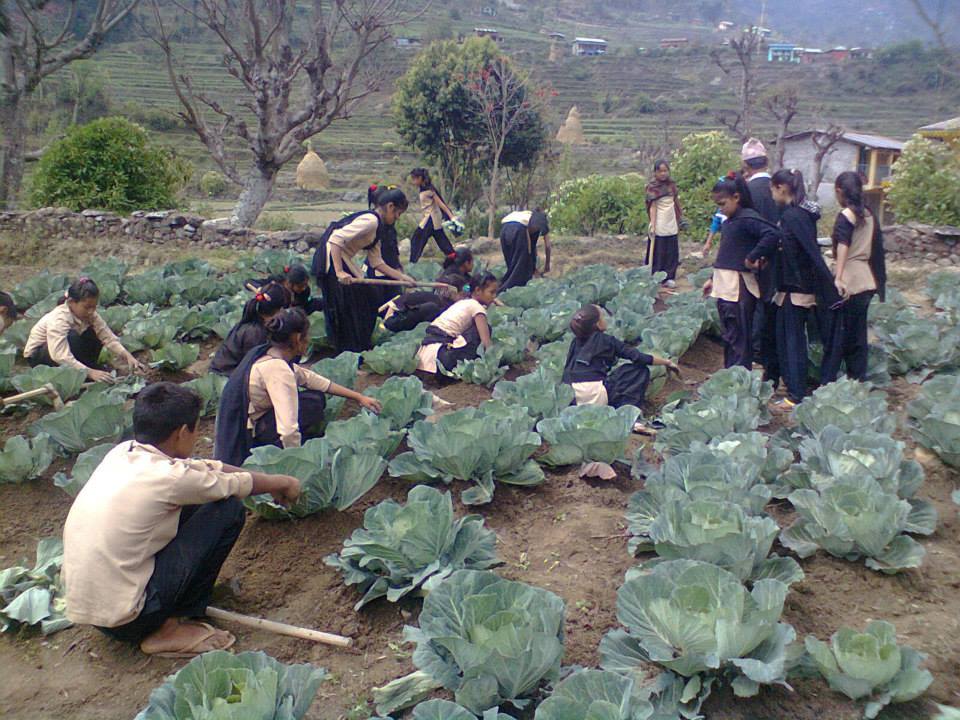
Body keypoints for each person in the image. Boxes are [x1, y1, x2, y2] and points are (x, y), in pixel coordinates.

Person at [63, 382, 301, 657]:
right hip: (132, 619)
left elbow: (205, 469)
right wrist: (282, 482)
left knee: (194, 504)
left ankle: (162, 613)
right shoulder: (170, 479)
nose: (198, 436)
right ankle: (169, 628)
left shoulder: (122, 453)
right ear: (181, 433)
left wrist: (273, 482)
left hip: (94, 613)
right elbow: (231, 485)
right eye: (196, 429)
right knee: (226, 510)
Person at [214, 308, 382, 466]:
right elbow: (288, 430)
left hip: (246, 423)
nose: (308, 341)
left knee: (315, 397)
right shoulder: (277, 370)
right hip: (252, 431)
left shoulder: (266, 353)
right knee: (312, 403)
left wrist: (358, 397)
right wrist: (296, 463)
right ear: (296, 338)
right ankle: (269, 447)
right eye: (306, 336)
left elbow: (311, 379)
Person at [745, 169, 839, 409]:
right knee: (787, 339)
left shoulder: (792, 217)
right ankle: (790, 386)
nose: (772, 195)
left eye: (773, 190)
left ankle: (795, 394)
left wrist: (779, 272)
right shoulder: (802, 214)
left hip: (794, 290)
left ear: (781, 188)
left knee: (792, 341)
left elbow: (795, 255)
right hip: (798, 287)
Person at [314, 187, 417, 352]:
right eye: (398, 213)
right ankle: (346, 348)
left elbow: (376, 261)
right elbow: (335, 239)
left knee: (369, 298)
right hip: (331, 257)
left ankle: (359, 345)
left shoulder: (378, 227)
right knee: (345, 304)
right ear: (390, 207)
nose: (397, 218)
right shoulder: (371, 221)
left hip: (343, 258)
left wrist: (402, 278)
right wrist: (340, 272)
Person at [702, 173, 782, 369]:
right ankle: (731, 374)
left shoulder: (747, 218)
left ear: (736, 197)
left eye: (722, 204)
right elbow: (726, 253)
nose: (720, 209)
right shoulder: (730, 221)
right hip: (725, 285)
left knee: (739, 335)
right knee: (730, 335)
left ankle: (739, 376)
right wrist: (712, 278)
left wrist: (752, 257)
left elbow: (772, 233)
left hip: (738, 287)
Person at [820, 171, 886, 384]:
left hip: (849, 279)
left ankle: (828, 382)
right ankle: (857, 380)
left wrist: (838, 277)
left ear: (839, 191)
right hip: (866, 280)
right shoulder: (869, 214)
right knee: (858, 337)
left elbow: (844, 244)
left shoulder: (847, 215)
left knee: (837, 337)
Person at [23, 277, 145, 383]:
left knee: (95, 334)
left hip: (63, 354)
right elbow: (59, 355)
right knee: (72, 337)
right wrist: (90, 372)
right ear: (71, 302)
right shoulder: (59, 318)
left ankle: (86, 369)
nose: (91, 311)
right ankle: (84, 372)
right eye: (87, 307)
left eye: (94, 307)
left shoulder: (90, 314)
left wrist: (128, 356)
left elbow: (107, 336)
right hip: (40, 357)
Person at [562, 304, 679, 412]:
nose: (606, 319)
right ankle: (628, 412)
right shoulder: (608, 341)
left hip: (572, 397)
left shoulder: (574, 343)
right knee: (638, 370)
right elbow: (639, 357)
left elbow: (567, 371)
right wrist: (667, 362)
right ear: (598, 324)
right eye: (602, 316)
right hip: (597, 394)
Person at [741, 138, 781, 369]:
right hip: (778, 255)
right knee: (770, 299)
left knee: (754, 302)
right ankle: (769, 349)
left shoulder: (746, 191)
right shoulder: (780, 187)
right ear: (766, 161)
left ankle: (756, 349)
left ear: (746, 165)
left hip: (754, 255)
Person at [416, 273, 498, 375]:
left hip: (424, 357)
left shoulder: (463, 303)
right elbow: (486, 343)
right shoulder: (477, 308)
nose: (494, 297)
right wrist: (496, 363)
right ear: (477, 290)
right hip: (441, 358)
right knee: (484, 330)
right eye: (492, 292)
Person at [382, 248, 474, 333]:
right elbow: (467, 289)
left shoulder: (460, 275)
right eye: (472, 262)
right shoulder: (451, 279)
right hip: (395, 316)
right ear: (466, 263)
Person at [210, 283, 287, 376]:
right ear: (278, 310)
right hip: (226, 375)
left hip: (229, 371)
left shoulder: (253, 323)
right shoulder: (254, 333)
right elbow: (251, 367)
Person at [645, 160, 683, 287]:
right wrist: (653, 224)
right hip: (660, 221)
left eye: (665, 171)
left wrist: (679, 218)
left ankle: (670, 276)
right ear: (655, 172)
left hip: (671, 220)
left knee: (671, 250)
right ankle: (656, 275)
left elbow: (676, 202)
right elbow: (653, 207)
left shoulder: (672, 185)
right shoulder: (652, 187)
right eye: (660, 171)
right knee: (659, 249)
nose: (663, 174)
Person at [409, 168, 456, 263]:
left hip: (431, 219)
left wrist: (451, 216)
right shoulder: (424, 189)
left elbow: (440, 203)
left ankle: (412, 263)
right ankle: (455, 260)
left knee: (416, 239)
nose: (413, 181)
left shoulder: (429, 190)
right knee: (442, 241)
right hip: (433, 219)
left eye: (414, 179)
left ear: (420, 178)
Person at [499, 208, 552, 291]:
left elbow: (531, 247)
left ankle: (501, 286)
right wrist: (547, 265)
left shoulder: (527, 215)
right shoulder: (542, 220)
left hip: (504, 228)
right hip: (518, 228)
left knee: (512, 265)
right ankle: (503, 290)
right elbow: (547, 246)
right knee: (519, 268)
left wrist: (533, 268)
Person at [245, 265, 322, 314]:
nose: (304, 288)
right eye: (300, 286)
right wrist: (260, 289)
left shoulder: (305, 292)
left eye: (305, 285)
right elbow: (248, 282)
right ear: (290, 283)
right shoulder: (275, 283)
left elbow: (303, 307)